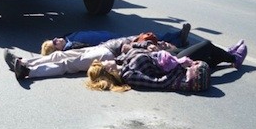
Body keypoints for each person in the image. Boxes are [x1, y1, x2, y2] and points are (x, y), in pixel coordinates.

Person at [86, 39, 247, 93]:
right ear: (108, 72)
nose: (105, 61)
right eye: (103, 64)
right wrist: (181, 67)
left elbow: (130, 49)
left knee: (204, 53)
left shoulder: (120, 62)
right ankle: (234, 57)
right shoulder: (130, 76)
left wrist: (147, 47)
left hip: (167, 56)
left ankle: (228, 55)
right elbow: (159, 82)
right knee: (205, 45)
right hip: (173, 64)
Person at [4, 36, 155, 80]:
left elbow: (129, 51)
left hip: (107, 54)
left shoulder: (150, 46)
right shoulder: (146, 39)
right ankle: (23, 62)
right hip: (101, 48)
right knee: (59, 54)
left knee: (67, 64)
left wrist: (138, 44)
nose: (161, 43)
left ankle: (28, 71)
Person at [40, 23, 190, 55]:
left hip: (110, 37)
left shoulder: (68, 37)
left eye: (53, 39)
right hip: (112, 43)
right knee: (145, 39)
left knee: (144, 38)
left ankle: (177, 40)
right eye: (54, 42)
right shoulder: (72, 47)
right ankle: (177, 39)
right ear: (57, 49)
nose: (56, 39)